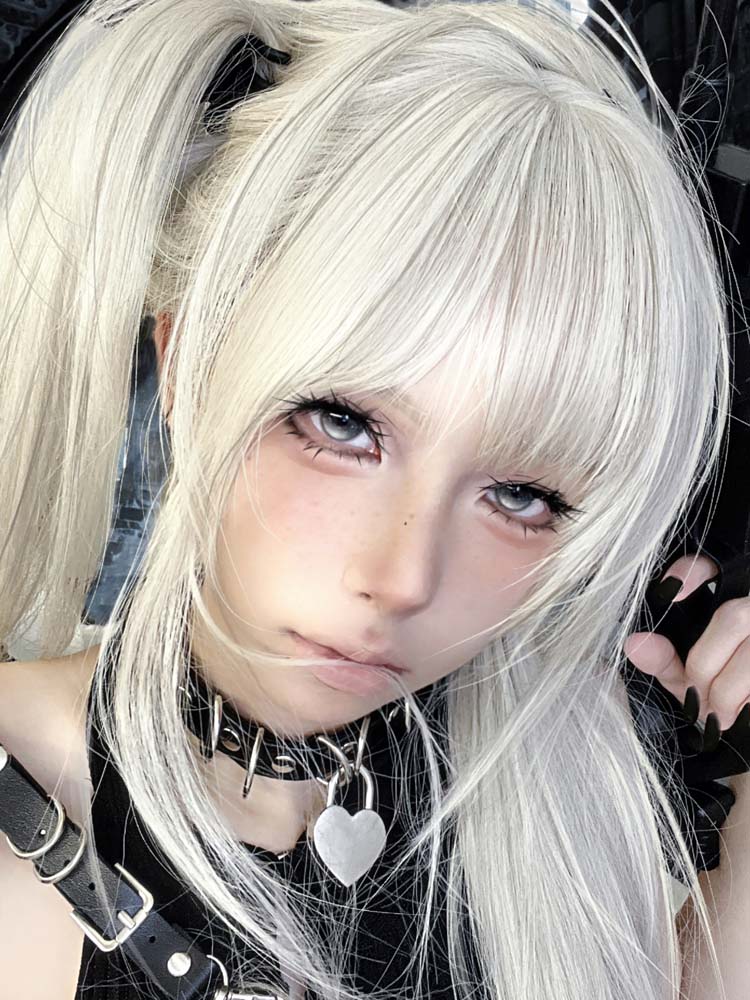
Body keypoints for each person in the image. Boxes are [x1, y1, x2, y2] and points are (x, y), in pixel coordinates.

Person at [0, 0, 743, 997]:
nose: (403, 579)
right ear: (186, 366)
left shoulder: (578, 806)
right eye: (343, 425)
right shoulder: (22, 815)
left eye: (521, 495)